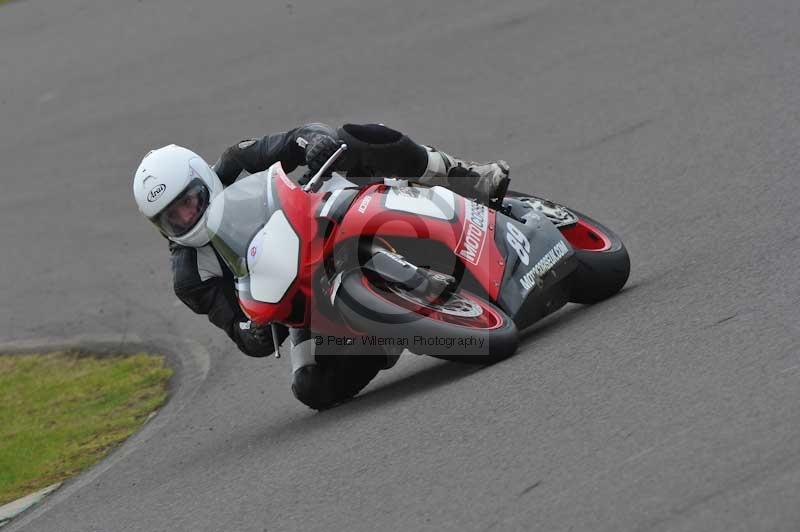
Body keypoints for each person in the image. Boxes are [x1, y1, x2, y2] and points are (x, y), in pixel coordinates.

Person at [132, 123, 510, 409]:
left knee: (355, 137)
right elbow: (238, 330)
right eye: (172, 218)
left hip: (324, 215)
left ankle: (464, 177)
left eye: (189, 201)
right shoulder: (190, 277)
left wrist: (315, 143)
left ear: (204, 179)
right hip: (304, 302)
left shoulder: (237, 163)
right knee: (313, 388)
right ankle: (386, 329)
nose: (185, 217)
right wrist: (254, 333)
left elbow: (295, 139)